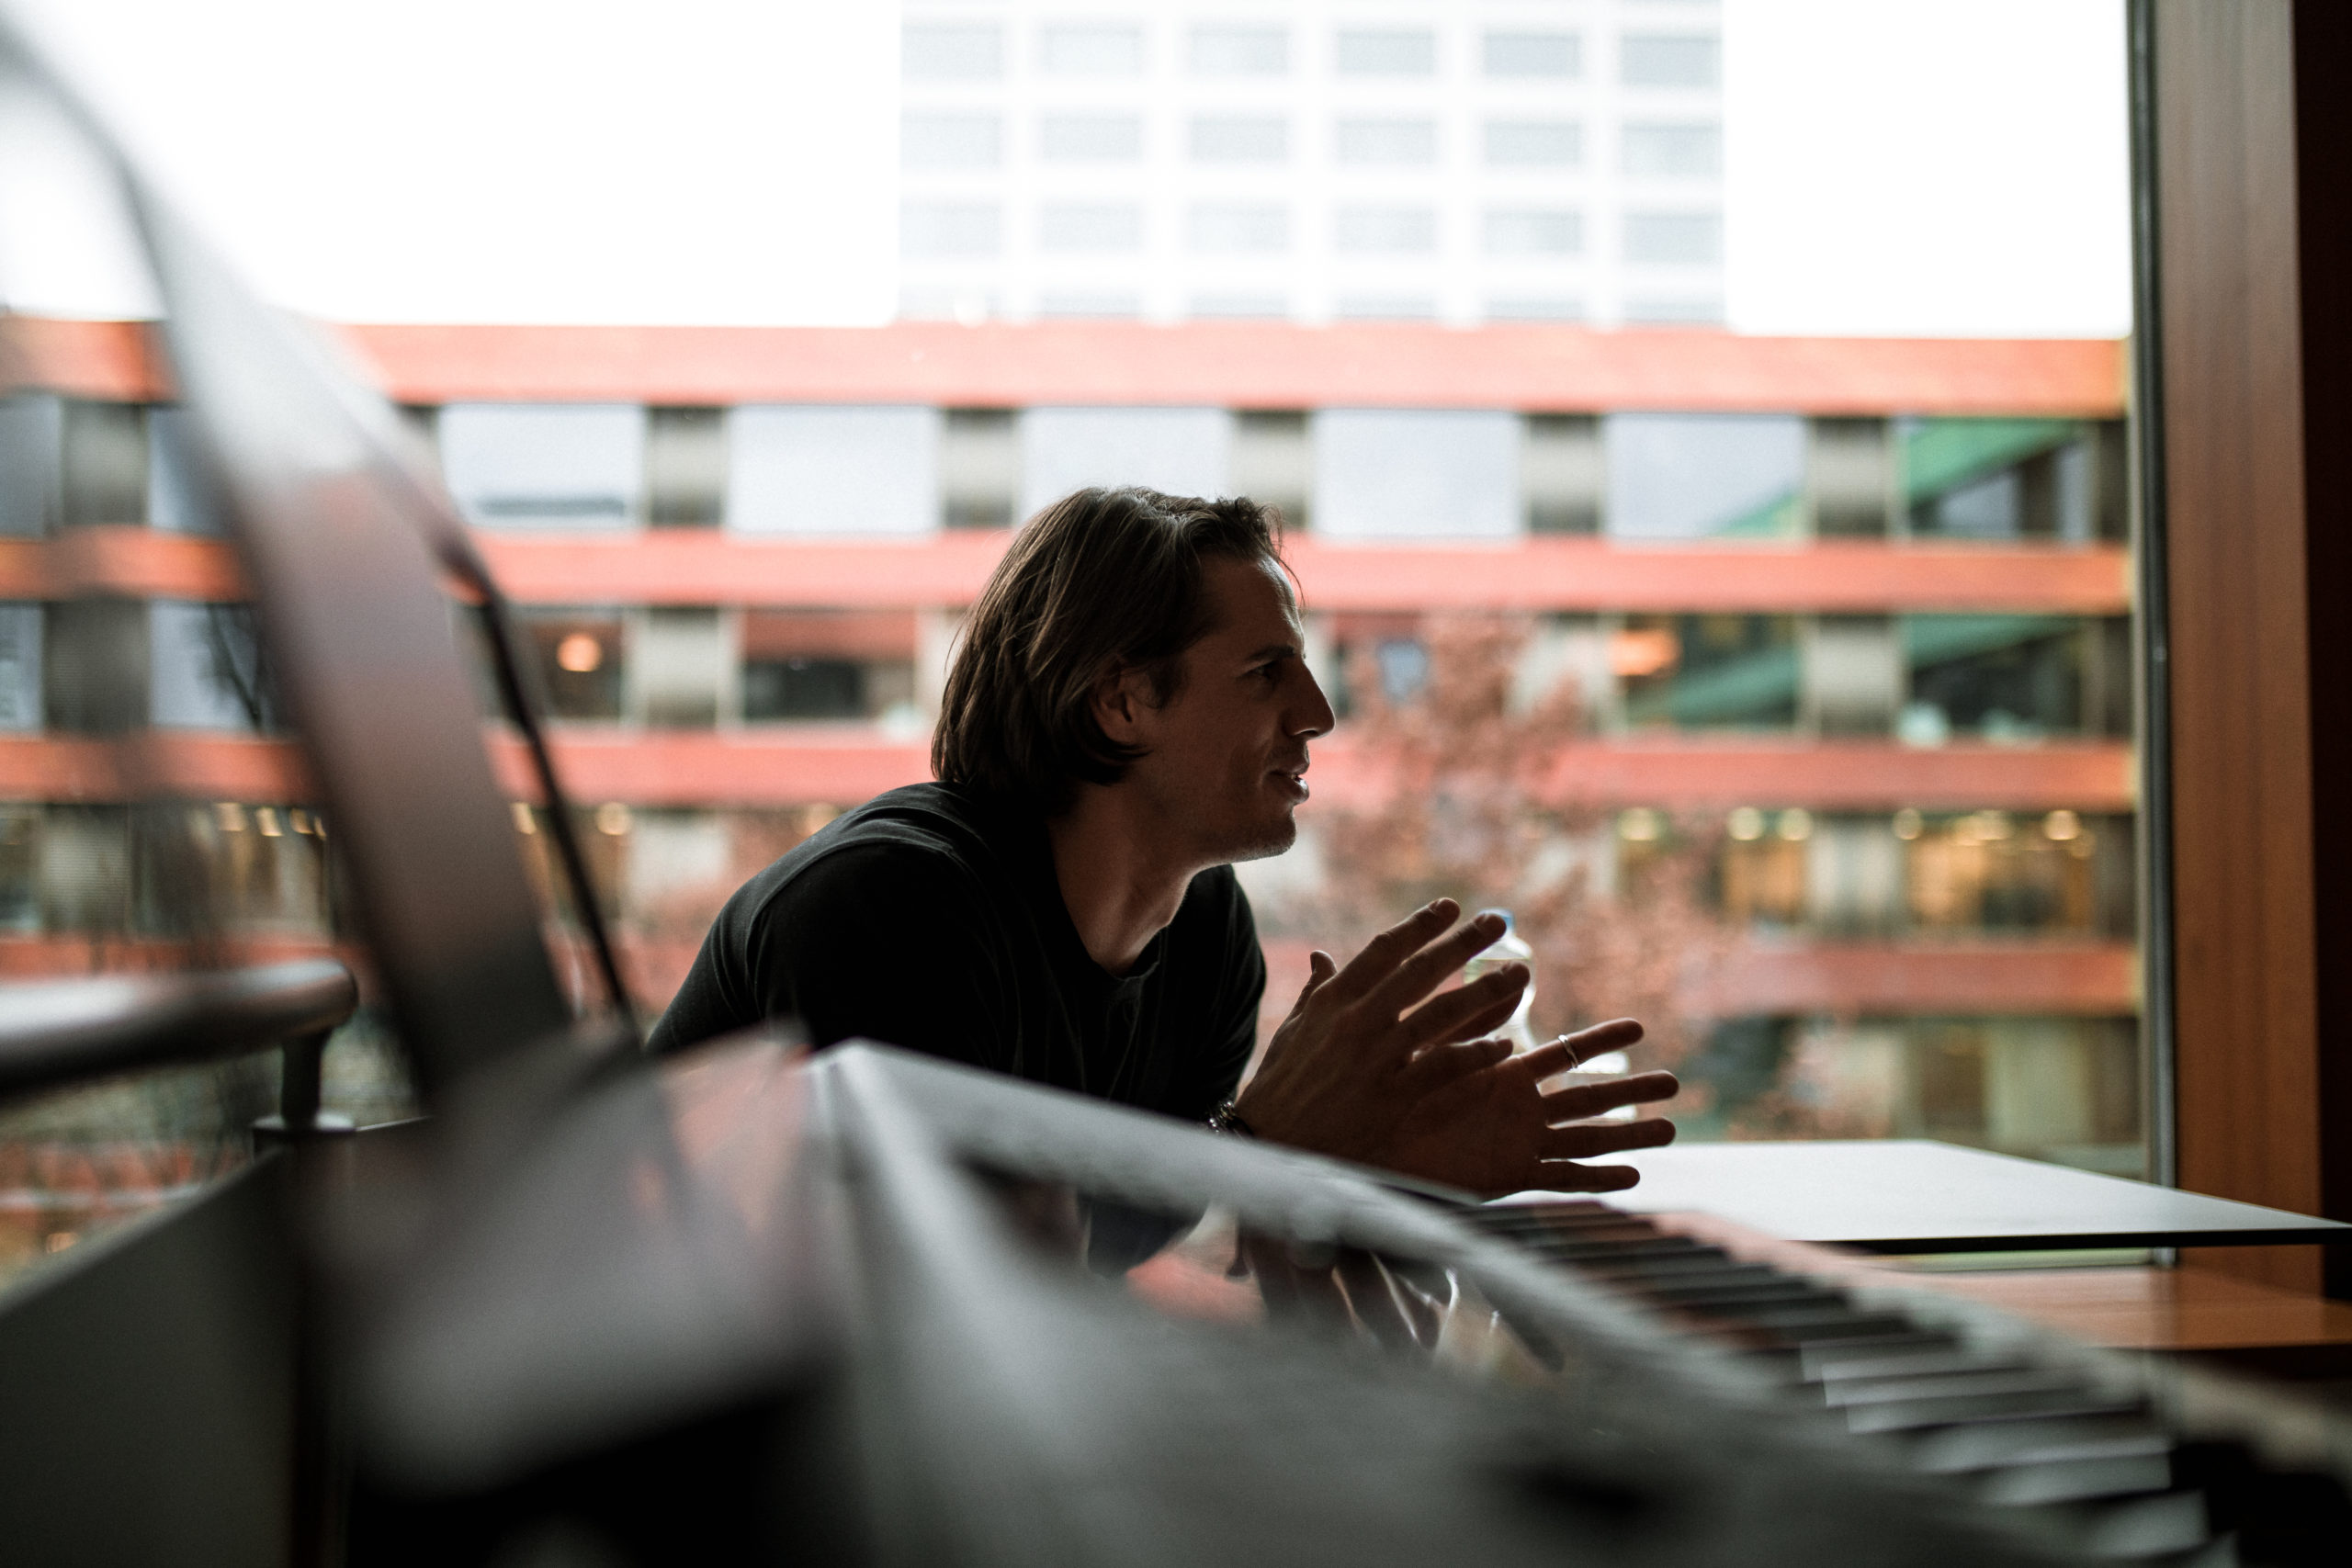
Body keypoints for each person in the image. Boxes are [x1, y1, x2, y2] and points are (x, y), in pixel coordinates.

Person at [648, 487, 1677, 1196]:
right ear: (1123, 702)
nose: (1318, 714)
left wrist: (1369, 1183)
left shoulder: (1205, 931)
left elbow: (1158, 1262)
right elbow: (967, 1312)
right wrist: (1269, 1153)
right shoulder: (890, 908)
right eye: (1265, 673)